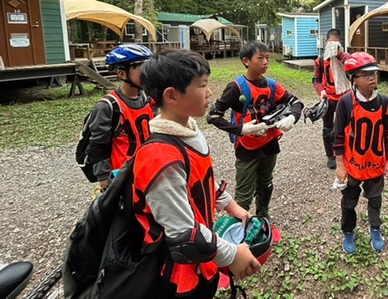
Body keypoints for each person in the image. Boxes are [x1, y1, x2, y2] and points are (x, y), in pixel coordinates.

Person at [136, 49, 260, 298]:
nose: (210, 92)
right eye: (202, 85)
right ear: (171, 95)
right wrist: (232, 255)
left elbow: (201, 180)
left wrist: (232, 206)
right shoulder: (160, 159)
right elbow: (183, 233)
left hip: (203, 253)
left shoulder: (188, 131)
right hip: (176, 272)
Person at [207, 41, 303, 219]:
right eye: (260, 58)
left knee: (266, 184)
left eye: (267, 58)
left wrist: (292, 117)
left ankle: (263, 219)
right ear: (246, 61)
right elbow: (213, 116)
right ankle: (239, 227)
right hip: (247, 147)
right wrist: (241, 129)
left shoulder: (272, 86)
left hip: (270, 143)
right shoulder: (236, 87)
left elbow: (296, 102)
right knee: (244, 193)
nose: (265, 62)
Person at [333, 52, 388, 254]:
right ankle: (348, 231)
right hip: (353, 164)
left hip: (375, 163)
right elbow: (337, 135)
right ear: (354, 79)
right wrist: (340, 164)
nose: (371, 78)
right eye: (365, 75)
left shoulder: (383, 102)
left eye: (373, 74)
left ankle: (375, 228)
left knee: (375, 199)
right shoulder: (345, 103)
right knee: (349, 201)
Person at [85, 43, 156, 191]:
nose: (149, 74)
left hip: (149, 169)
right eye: (143, 69)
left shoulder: (149, 99)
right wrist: (104, 182)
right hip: (123, 177)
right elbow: (98, 146)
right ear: (122, 74)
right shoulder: (108, 106)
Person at [312, 28, 351, 169]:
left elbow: (352, 67)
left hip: (344, 96)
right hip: (328, 96)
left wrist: (339, 54)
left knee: (345, 126)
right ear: (325, 42)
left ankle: (345, 152)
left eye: (336, 43)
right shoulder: (320, 61)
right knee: (328, 127)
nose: (333, 46)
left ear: (340, 43)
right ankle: (330, 155)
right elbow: (316, 79)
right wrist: (321, 91)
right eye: (330, 43)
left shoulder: (346, 58)